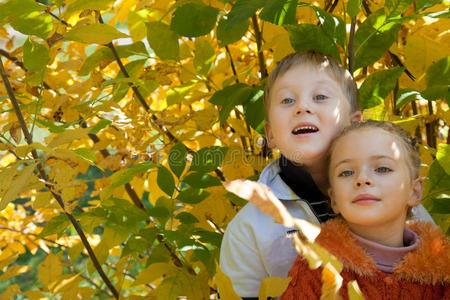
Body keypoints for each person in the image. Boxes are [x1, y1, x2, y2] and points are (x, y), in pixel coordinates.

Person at [219, 51, 435, 299]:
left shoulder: (396, 197)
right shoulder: (251, 228)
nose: (303, 107)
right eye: (287, 100)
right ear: (270, 135)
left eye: (320, 96)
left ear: (354, 123)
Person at [280, 120, 449, 300]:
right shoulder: (315, 268)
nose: (362, 179)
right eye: (346, 172)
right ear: (334, 199)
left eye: (382, 168)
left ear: (414, 192)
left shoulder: (443, 269)